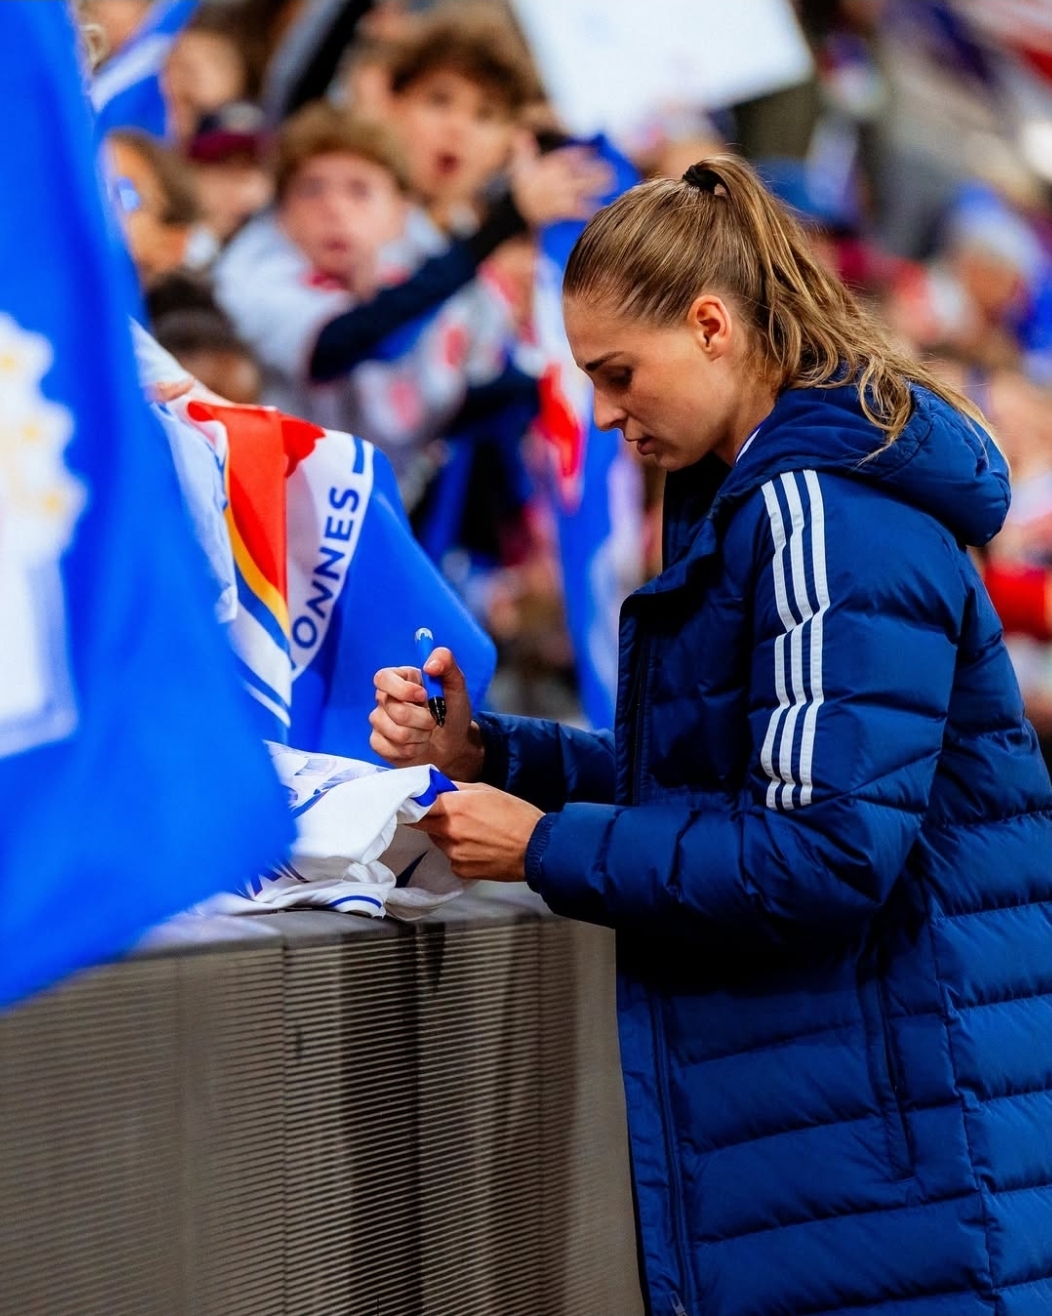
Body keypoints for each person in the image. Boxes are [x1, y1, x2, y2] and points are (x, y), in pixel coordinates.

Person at [370, 156, 1052, 1316]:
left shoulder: (818, 512)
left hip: (893, 1154)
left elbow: (819, 852)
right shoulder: (764, 497)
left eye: (617, 373)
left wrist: (540, 846)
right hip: (856, 1135)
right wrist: (493, 756)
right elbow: (720, 779)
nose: (603, 412)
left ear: (710, 326)